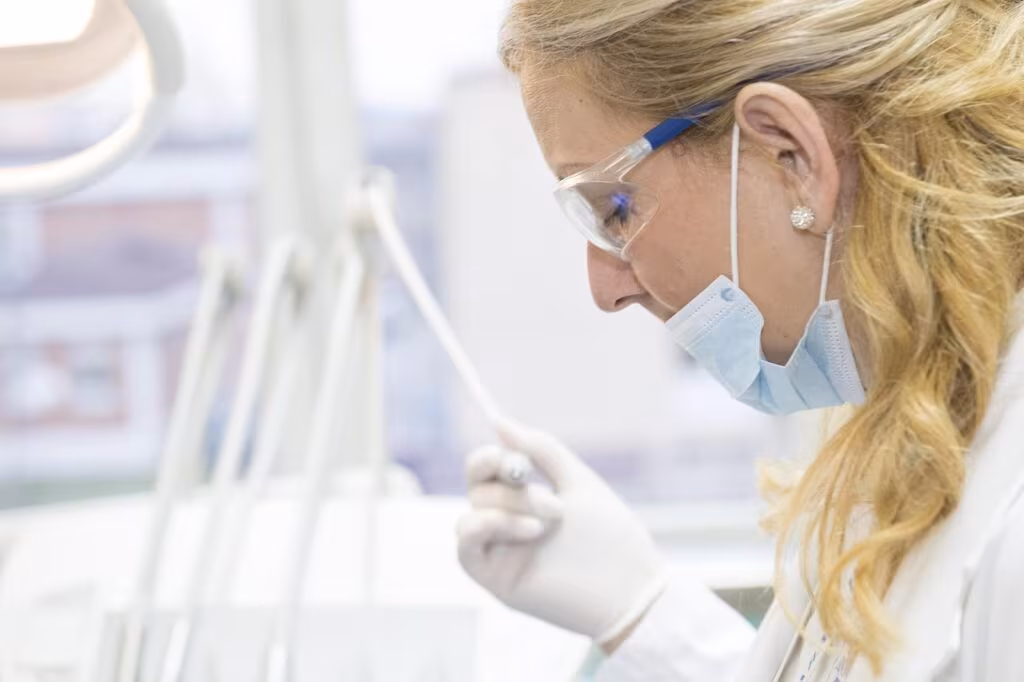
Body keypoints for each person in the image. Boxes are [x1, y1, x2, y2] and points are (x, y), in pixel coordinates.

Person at [455, 1, 1024, 680]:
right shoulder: (926, 405)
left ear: (790, 155)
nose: (604, 289)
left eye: (615, 209)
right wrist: (645, 611)